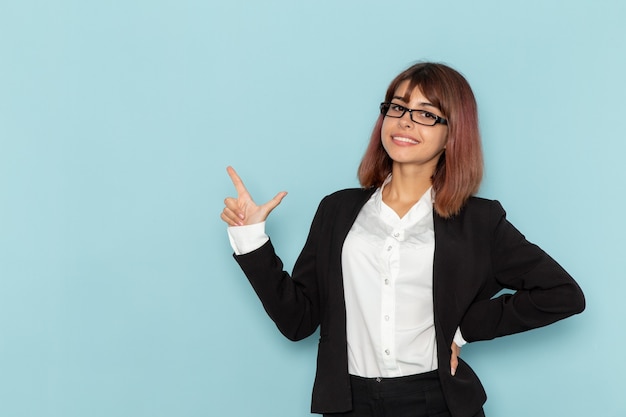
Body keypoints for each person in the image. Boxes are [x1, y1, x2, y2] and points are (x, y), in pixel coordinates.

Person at [220, 62, 585, 417]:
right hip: (349, 403)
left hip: (436, 400)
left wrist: (466, 328)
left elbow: (562, 295)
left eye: (427, 113)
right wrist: (250, 238)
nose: (405, 120)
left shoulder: (480, 220)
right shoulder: (337, 209)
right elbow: (297, 321)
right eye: (398, 107)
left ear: (452, 134)